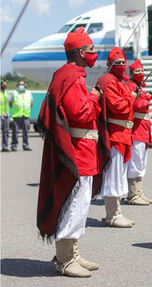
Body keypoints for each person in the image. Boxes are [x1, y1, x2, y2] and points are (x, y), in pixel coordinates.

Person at [36, 26, 102, 277]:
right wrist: (95, 97)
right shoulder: (73, 76)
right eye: (91, 50)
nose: (94, 54)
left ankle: (72, 252)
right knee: (74, 203)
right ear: (80, 53)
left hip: (81, 149)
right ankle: (65, 259)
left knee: (79, 203)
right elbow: (81, 114)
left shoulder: (68, 74)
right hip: (77, 151)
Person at [97, 47, 137, 228]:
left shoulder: (117, 81)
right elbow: (118, 106)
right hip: (114, 135)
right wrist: (131, 97)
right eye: (117, 63)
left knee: (118, 174)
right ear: (109, 65)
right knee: (113, 175)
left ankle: (115, 212)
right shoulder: (109, 81)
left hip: (122, 135)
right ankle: (112, 214)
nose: (121, 66)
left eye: (123, 63)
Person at [126, 58, 152, 205]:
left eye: (142, 71)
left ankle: (140, 192)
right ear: (131, 73)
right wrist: (147, 99)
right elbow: (137, 105)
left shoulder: (140, 87)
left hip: (143, 130)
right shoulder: (131, 86)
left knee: (141, 162)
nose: (141, 73)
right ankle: (132, 194)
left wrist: (146, 96)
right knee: (135, 162)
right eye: (138, 71)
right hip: (136, 130)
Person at [10, 79, 32, 151]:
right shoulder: (14, 93)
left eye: (22, 84)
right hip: (17, 115)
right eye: (19, 84)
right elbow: (10, 103)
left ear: (25, 85)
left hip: (25, 115)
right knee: (15, 132)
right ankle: (14, 145)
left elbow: (31, 103)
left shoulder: (29, 93)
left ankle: (25, 145)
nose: (20, 86)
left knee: (26, 132)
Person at [1, 79, 10, 152]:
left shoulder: (7, 92)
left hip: (6, 115)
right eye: (3, 85)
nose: (5, 86)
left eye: (5, 85)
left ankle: (5, 146)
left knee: (6, 132)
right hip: (0, 115)